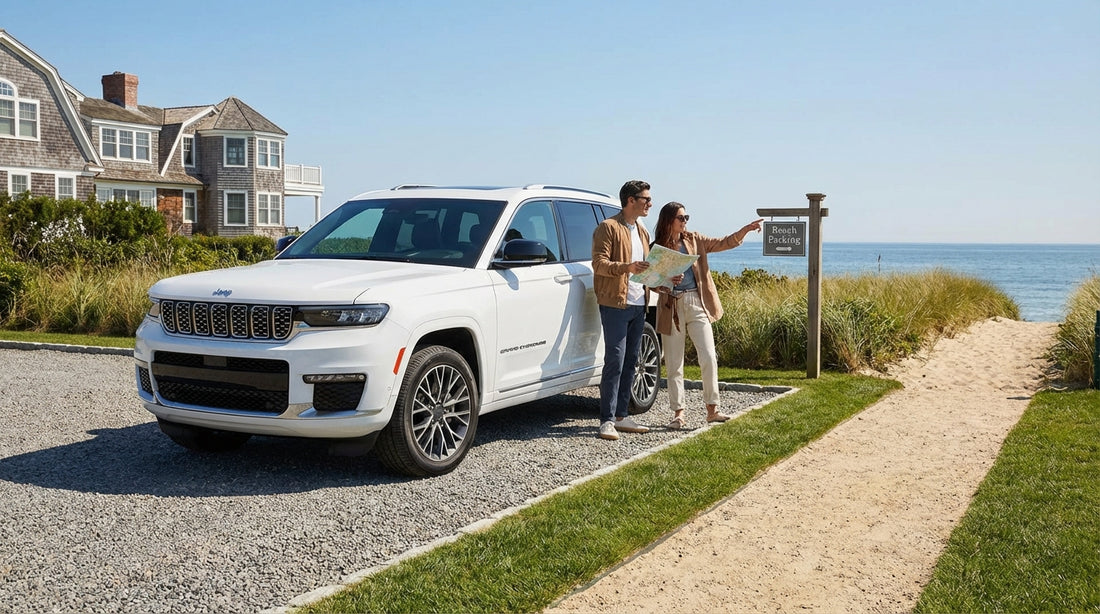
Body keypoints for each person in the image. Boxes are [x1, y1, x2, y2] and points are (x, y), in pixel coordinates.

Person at [651, 201, 763, 429]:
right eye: (681, 218)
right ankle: (678, 413)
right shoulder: (657, 247)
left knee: (709, 356)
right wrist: (666, 281)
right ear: (668, 220)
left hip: (696, 302)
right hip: (670, 306)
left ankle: (712, 409)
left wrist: (746, 229)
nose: (685, 222)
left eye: (686, 218)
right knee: (674, 364)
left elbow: (723, 243)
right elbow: (651, 283)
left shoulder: (694, 239)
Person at [591, 180, 655, 440]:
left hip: (639, 304)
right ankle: (606, 420)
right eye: (646, 199)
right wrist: (627, 267)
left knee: (632, 361)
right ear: (631, 200)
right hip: (615, 303)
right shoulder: (608, 227)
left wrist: (662, 279)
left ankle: (621, 415)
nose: (650, 203)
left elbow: (646, 268)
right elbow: (599, 264)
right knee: (614, 360)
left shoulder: (643, 231)